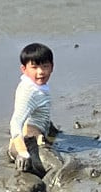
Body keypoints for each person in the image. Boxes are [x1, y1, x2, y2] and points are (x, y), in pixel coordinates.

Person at [7, 43, 63, 183]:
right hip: (28, 143)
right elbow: (15, 123)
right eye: (34, 67)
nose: (41, 72)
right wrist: (22, 152)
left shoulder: (38, 86)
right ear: (24, 69)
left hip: (37, 135)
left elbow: (40, 114)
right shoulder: (30, 92)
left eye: (45, 66)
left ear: (52, 67)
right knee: (59, 169)